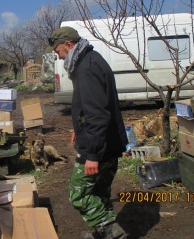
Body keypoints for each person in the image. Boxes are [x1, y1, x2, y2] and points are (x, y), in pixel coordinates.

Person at [45, 26, 128, 239]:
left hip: (99, 147)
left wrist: (92, 155)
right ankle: (103, 233)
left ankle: (112, 233)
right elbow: (91, 106)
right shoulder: (91, 60)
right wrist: (78, 128)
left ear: (69, 45)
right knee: (99, 193)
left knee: (78, 193)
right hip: (108, 143)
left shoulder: (86, 69)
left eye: (58, 52)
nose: (59, 56)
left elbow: (98, 115)